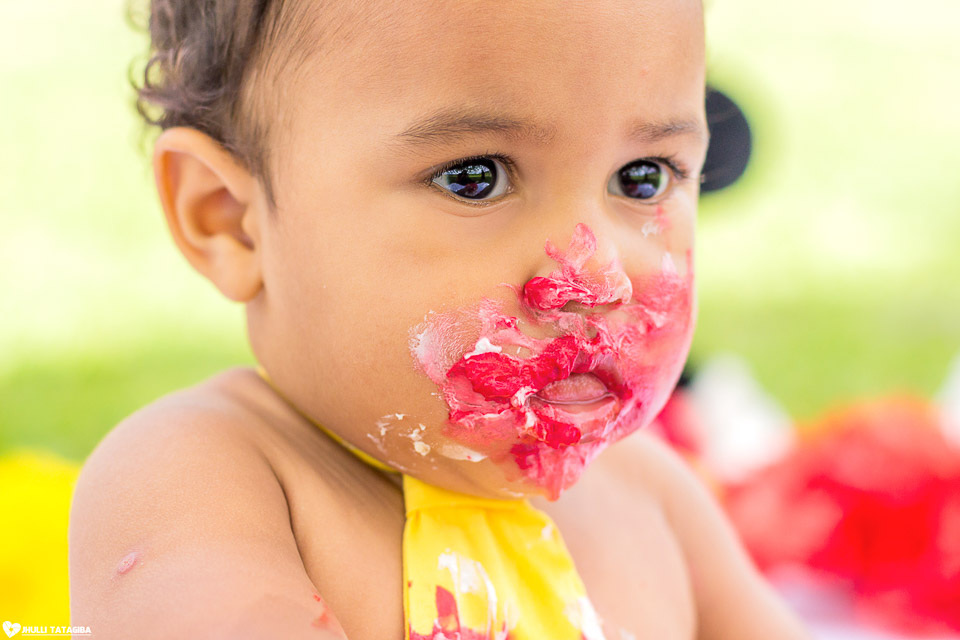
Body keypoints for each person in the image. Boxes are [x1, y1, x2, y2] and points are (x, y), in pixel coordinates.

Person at [68, 1, 811, 638]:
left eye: (643, 176)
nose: (591, 277)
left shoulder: (656, 503)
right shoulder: (200, 478)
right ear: (232, 221)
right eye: (475, 177)